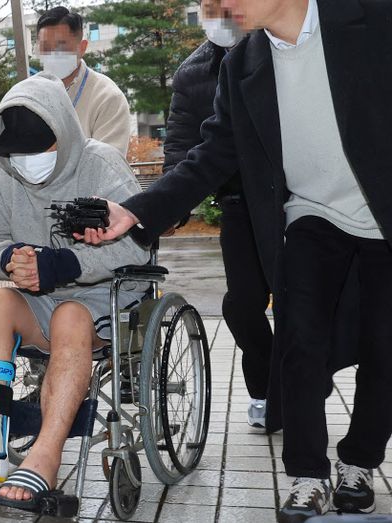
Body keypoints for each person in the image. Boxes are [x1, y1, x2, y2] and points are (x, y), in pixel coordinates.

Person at [75, 0, 392, 520]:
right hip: (311, 216)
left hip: (383, 215)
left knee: (385, 348)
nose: (216, 6)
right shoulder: (244, 63)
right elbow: (212, 152)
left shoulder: (372, 19)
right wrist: (135, 211)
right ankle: (308, 475)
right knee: (299, 343)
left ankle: (359, 463)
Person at [0, 72, 148, 511]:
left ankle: (46, 455)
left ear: (63, 133)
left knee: (70, 315)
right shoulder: (3, 172)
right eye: (17, 155)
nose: (27, 162)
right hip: (40, 299)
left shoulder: (101, 165)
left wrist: (64, 264)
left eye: (39, 151)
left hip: (104, 297)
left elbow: (138, 244)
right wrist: (10, 259)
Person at [163, 0, 272, 428]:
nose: (219, 14)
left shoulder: (276, 46)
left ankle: (298, 385)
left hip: (292, 203)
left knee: (303, 303)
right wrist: (171, 206)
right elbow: (181, 144)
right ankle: (267, 386)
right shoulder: (192, 73)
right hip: (238, 204)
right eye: (209, 7)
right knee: (242, 306)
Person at [35, 6, 131, 156]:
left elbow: (108, 163)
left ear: (82, 47)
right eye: (45, 47)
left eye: (61, 46)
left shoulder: (107, 97)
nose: (52, 54)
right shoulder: (31, 93)